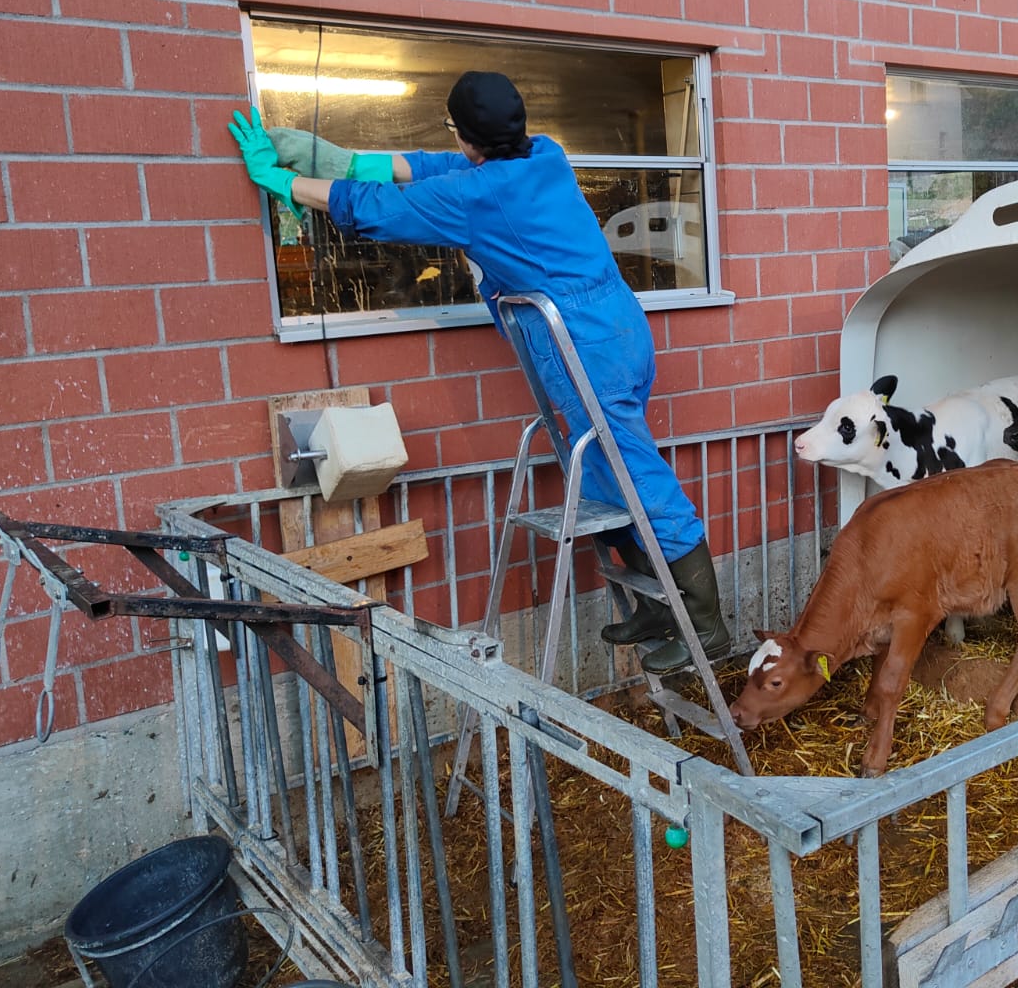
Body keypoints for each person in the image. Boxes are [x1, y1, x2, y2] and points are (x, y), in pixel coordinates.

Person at [226, 71, 729, 674]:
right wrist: (345, 159)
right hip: (618, 329)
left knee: (637, 477)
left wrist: (283, 181)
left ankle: (705, 626)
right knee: (601, 472)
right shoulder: (545, 154)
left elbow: (377, 209)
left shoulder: (478, 195)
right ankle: (660, 608)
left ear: (470, 139)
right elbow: (432, 167)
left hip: (584, 348)